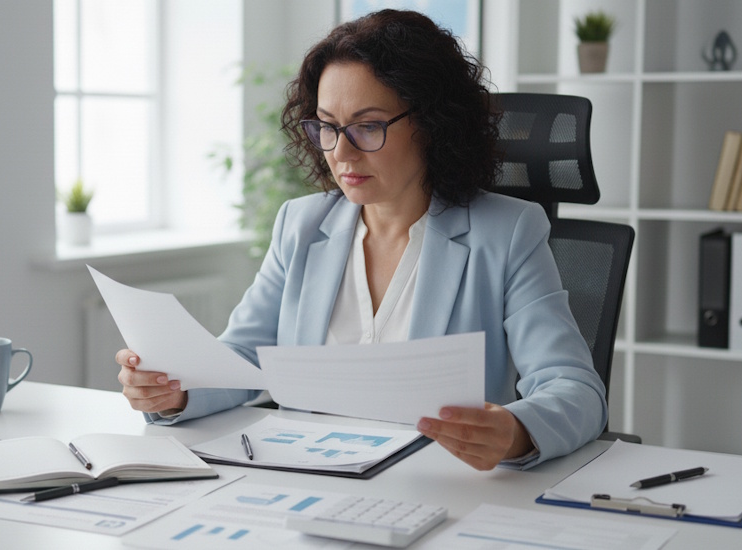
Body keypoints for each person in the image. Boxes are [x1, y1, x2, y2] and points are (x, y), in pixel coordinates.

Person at [115, 9, 606, 471]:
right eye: (327, 127)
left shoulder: (507, 232)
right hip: (304, 473)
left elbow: (575, 389)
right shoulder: (301, 225)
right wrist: (175, 389)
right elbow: (245, 358)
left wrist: (516, 431)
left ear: (432, 125)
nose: (341, 151)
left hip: (437, 482)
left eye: (368, 126)